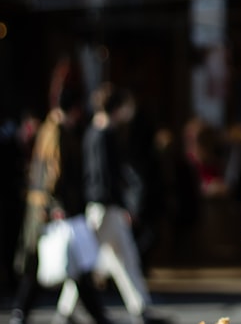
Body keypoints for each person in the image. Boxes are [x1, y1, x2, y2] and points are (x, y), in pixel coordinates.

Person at [10, 61, 115, 324]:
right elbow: (54, 174)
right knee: (69, 263)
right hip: (52, 207)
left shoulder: (47, 128)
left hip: (41, 207)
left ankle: (21, 312)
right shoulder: (58, 133)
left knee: (46, 265)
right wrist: (58, 206)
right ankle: (94, 315)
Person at [54, 83, 167, 324]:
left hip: (101, 205)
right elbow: (108, 176)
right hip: (106, 207)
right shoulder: (104, 135)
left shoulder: (92, 133)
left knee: (118, 259)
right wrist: (123, 205)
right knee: (102, 260)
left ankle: (138, 307)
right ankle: (68, 310)